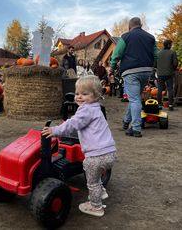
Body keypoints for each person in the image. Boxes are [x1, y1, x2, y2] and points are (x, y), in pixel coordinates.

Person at [42, 75, 116, 217]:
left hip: (96, 156)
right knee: (96, 174)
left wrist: (55, 130)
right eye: (77, 93)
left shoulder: (86, 110)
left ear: (95, 95)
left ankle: (96, 207)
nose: (79, 97)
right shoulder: (96, 108)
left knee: (92, 182)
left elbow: (72, 124)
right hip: (109, 152)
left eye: (85, 94)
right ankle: (101, 192)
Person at [110, 17, 158, 137]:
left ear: (129, 27)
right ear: (141, 25)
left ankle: (136, 128)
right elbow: (156, 55)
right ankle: (126, 121)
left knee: (134, 99)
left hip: (131, 71)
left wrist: (112, 67)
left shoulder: (125, 37)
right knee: (135, 98)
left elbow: (117, 54)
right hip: (147, 71)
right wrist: (153, 67)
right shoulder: (151, 37)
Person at [155, 39, 178, 111]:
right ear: (168, 45)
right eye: (171, 44)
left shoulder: (158, 53)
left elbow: (155, 64)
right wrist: (172, 69)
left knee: (160, 89)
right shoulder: (172, 52)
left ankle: (159, 104)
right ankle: (170, 105)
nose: (172, 46)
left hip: (160, 73)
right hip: (169, 73)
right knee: (170, 89)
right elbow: (175, 64)